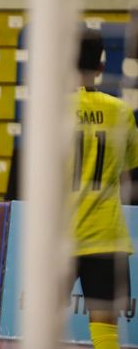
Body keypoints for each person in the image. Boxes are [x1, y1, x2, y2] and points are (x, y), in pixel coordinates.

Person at [70, 28, 138, 349]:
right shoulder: (122, 112)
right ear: (100, 67)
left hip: (60, 237)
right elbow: (128, 170)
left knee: (41, 324)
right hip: (106, 235)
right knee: (105, 330)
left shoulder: (49, 110)